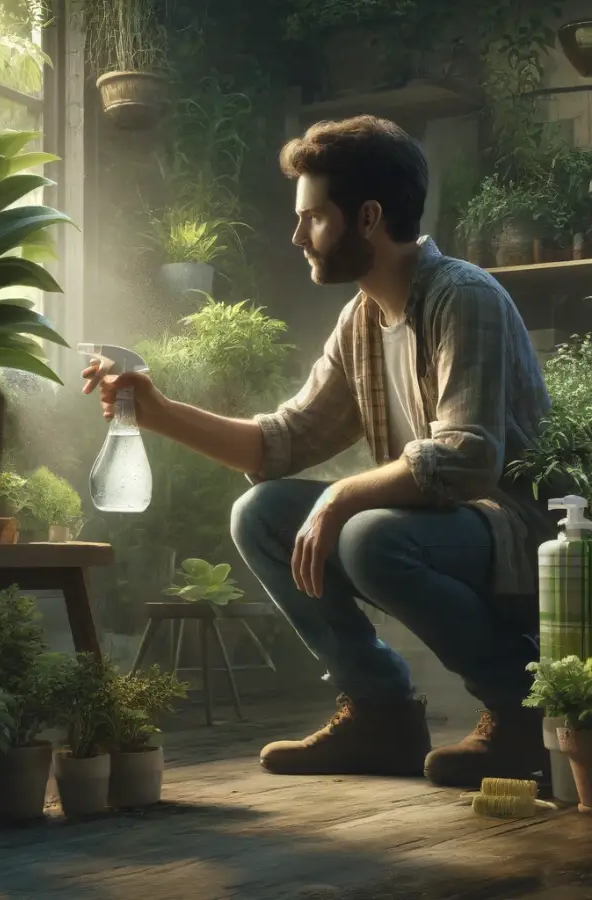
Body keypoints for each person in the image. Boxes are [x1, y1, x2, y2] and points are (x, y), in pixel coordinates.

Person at [82, 115, 554, 790]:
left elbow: (468, 456)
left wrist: (341, 494)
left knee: (369, 537)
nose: (298, 236)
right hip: (443, 524)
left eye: (312, 218)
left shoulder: (464, 297)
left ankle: (522, 714)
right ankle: (381, 712)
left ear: (366, 217)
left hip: (511, 528)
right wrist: (156, 412)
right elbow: (281, 443)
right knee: (262, 512)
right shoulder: (362, 319)